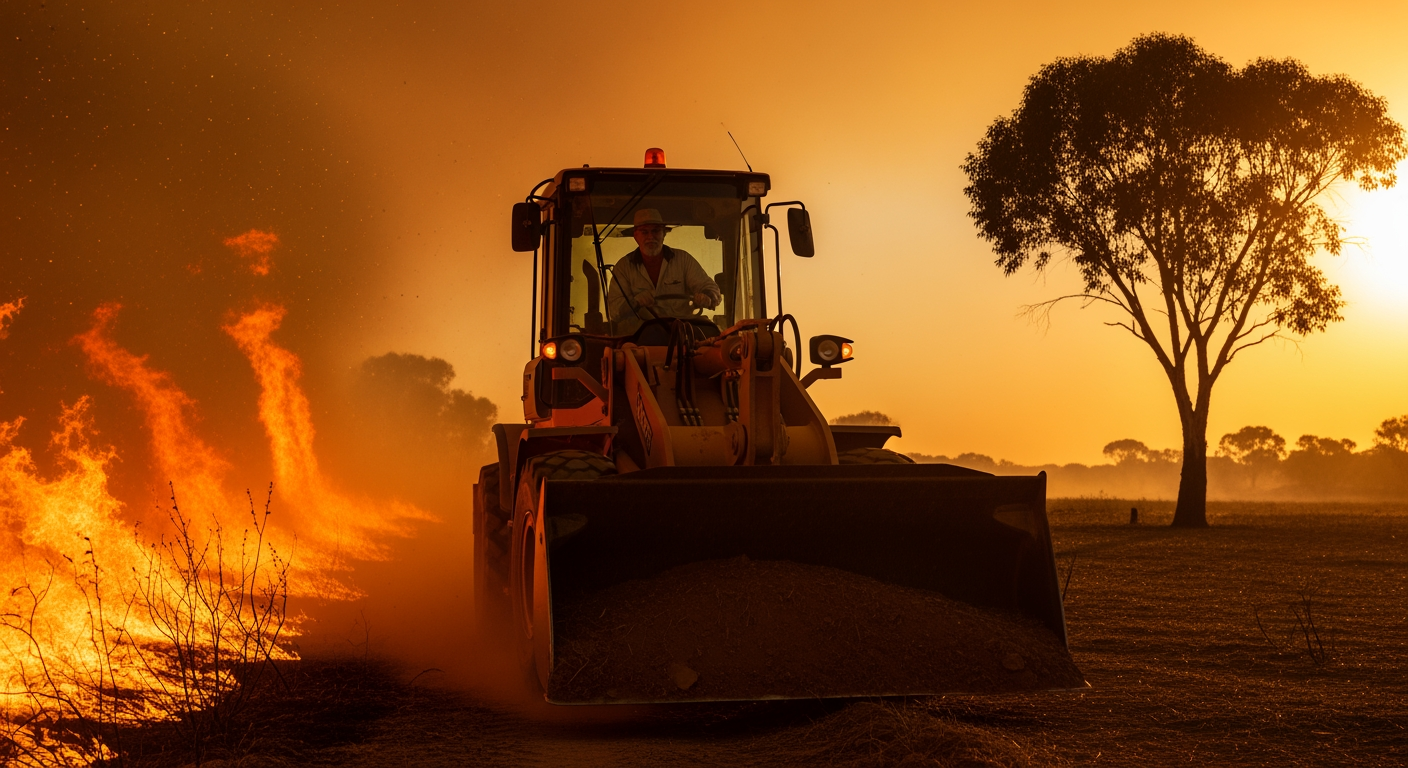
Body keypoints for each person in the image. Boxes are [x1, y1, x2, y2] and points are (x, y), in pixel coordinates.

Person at [606, 209, 722, 334]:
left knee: (712, 332)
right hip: (640, 338)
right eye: (644, 232)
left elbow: (711, 289)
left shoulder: (683, 260)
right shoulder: (623, 267)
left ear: (664, 233)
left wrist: (707, 297)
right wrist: (636, 302)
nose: (650, 237)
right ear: (636, 236)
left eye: (655, 231)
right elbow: (614, 311)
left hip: (682, 333)